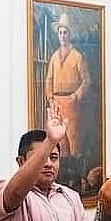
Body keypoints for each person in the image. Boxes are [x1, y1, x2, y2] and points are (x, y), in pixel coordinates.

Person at [44, 13, 90, 157]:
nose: (62, 36)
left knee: (73, 136)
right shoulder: (54, 57)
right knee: (60, 141)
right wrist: (50, 97)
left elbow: (87, 80)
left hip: (71, 102)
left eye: (65, 33)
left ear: (69, 35)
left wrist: (76, 96)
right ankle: (63, 172)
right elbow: (49, 79)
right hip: (57, 103)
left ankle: (76, 172)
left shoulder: (77, 56)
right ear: (58, 35)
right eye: (60, 33)